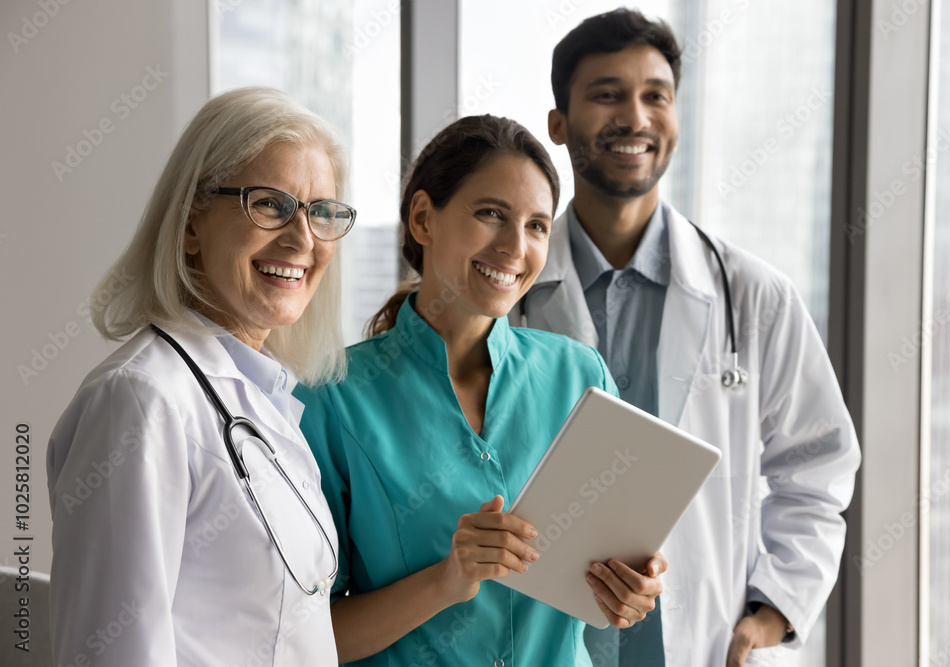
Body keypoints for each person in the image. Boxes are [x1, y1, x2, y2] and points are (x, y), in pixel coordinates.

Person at [512, 8, 862, 667]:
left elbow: (818, 463)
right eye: (607, 94)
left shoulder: (751, 295)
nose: (636, 118)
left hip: (697, 641)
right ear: (557, 124)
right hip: (546, 642)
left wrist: (772, 611)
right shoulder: (511, 295)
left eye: (656, 96)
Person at [293, 114, 667, 666]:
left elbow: (613, 566)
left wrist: (634, 588)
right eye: (491, 214)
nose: (515, 247)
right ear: (423, 218)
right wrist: (446, 580)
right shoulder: (333, 399)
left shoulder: (580, 376)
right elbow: (307, 638)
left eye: (538, 225)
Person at [46, 87, 355, 666]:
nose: (301, 239)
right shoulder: (141, 400)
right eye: (270, 204)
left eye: (320, 212)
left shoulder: (264, 398)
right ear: (191, 223)